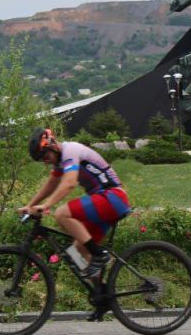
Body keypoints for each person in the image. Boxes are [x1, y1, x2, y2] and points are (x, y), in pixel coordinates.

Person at [20, 128, 132, 320]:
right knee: (77, 250)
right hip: (104, 201)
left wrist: (46, 206)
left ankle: (99, 255)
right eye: (41, 159)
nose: (45, 161)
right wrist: (29, 205)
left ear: (52, 146)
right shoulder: (61, 161)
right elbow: (51, 184)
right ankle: (102, 297)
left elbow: (69, 183)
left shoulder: (71, 150)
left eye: (44, 156)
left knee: (62, 213)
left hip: (113, 197)